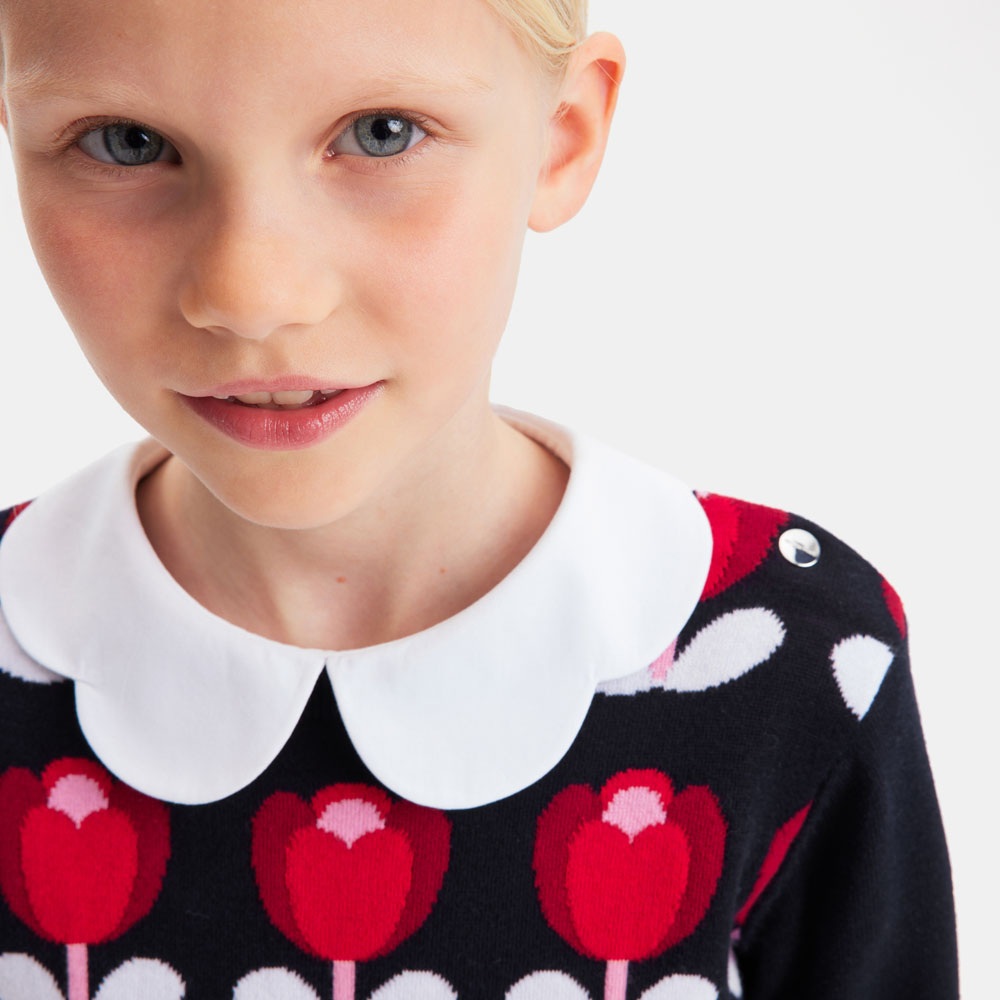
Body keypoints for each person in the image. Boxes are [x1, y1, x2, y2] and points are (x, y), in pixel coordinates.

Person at [0, 1, 958, 998]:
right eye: (127, 142)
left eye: (381, 133)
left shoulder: (796, 667)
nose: (251, 294)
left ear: (562, 137)